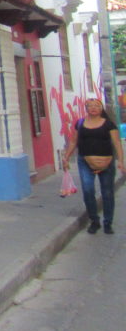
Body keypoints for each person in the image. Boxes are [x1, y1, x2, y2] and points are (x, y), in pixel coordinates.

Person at [62, 98, 126, 234]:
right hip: (85, 161)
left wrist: (121, 161)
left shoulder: (109, 124)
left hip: (106, 162)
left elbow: (117, 143)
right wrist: (66, 157)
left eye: (96, 105)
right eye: (90, 106)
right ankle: (94, 221)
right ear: (86, 108)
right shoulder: (80, 123)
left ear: (101, 108)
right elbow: (73, 141)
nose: (93, 108)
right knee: (88, 191)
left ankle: (108, 222)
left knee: (107, 192)